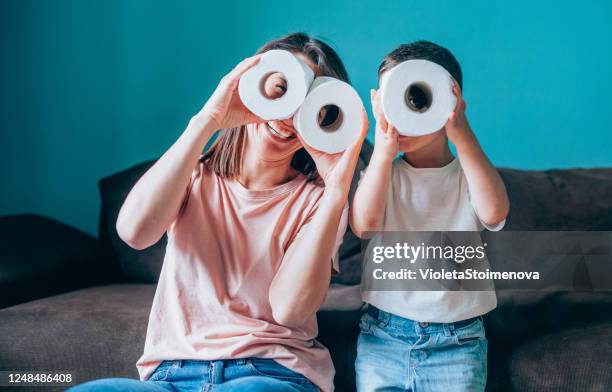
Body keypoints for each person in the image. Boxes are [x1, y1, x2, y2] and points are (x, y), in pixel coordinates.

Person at [69, 32, 367, 392]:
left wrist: (336, 190)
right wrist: (209, 119)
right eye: (281, 90)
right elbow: (134, 231)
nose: (289, 115)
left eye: (310, 106)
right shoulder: (192, 176)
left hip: (270, 373)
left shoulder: (318, 201)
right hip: (172, 375)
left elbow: (290, 309)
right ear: (251, 86)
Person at [350, 40, 509, 391]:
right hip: (383, 337)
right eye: (392, 100)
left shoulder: (469, 176)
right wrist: (381, 151)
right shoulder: (382, 176)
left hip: (458, 342)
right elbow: (364, 224)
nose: (402, 115)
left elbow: (495, 212)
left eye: (416, 99)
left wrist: (461, 132)